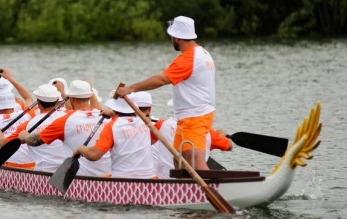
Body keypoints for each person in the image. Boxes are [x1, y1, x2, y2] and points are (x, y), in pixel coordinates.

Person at [116, 16, 215, 170]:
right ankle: (182, 191)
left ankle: (210, 192)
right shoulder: (203, 53)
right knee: (178, 159)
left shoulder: (188, 58)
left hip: (195, 115)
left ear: (176, 38)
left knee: (194, 159)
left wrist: (131, 89)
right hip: (188, 116)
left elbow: (161, 80)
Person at [18, 80, 111, 176]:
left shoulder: (65, 120)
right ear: (89, 97)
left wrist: (25, 137)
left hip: (79, 178)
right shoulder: (105, 116)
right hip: (109, 176)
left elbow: (37, 141)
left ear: (72, 99)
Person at [73, 96, 157, 178]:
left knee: (100, 176)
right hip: (150, 178)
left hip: (122, 179)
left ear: (114, 108)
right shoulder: (145, 121)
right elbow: (152, 140)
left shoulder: (111, 126)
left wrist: (80, 149)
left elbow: (94, 155)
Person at [0, 83, 67, 172]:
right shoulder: (68, 117)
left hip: (42, 172)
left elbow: (4, 144)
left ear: (38, 101)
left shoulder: (28, 125)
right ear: (56, 101)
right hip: (66, 170)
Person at [153, 99, 232, 178]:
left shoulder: (160, 125)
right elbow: (229, 146)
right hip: (194, 178)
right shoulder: (208, 132)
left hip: (164, 177)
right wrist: (221, 135)